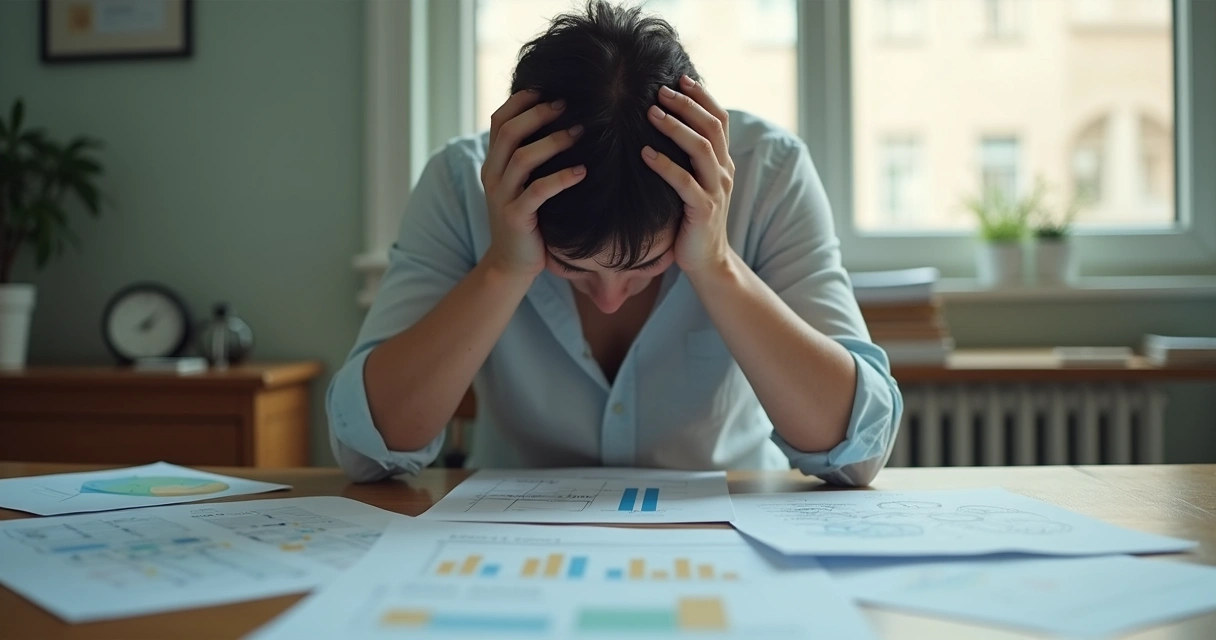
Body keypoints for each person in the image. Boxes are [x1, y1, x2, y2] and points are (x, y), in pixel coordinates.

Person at [328, 1, 902, 487]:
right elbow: (365, 448)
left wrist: (717, 265)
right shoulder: (462, 185)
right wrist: (504, 268)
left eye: (649, 263)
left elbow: (858, 450)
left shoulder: (769, 174)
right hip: (512, 541)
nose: (609, 299)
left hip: (725, 534)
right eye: (572, 269)